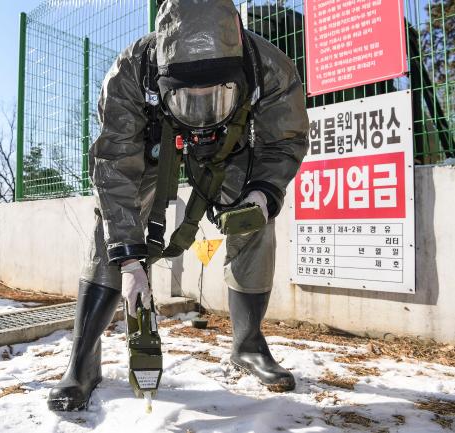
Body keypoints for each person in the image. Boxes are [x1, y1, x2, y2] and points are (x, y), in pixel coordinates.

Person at [48, 0, 309, 411]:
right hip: (152, 147)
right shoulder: (131, 71)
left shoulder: (268, 67)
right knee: (111, 232)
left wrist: (263, 192)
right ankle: (82, 362)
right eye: (189, 99)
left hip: (232, 147)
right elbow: (114, 166)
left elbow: (284, 140)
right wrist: (131, 263)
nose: (202, 113)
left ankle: (249, 344)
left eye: (217, 97)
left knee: (254, 222)